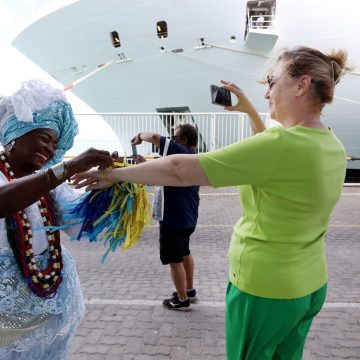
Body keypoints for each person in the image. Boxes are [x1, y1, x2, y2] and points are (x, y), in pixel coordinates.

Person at [72, 46, 350, 359]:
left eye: (272, 82)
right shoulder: (331, 144)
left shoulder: (280, 145)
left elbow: (180, 170)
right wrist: (249, 112)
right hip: (309, 286)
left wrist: (117, 175)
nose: (267, 92)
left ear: (301, 84)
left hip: (266, 288)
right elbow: (272, 158)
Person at [0, 79, 113, 359]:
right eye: (45, 138)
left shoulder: (51, 185)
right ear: (17, 134)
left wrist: (112, 187)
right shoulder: (37, 178)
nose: (51, 150)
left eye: (55, 144)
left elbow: (78, 225)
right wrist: (68, 167)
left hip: (48, 307)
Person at [130, 124, 200, 311]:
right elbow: (164, 175)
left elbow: (153, 136)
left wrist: (139, 135)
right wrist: (144, 163)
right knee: (184, 252)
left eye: (175, 136)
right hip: (188, 217)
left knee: (174, 260)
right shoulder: (193, 156)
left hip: (173, 218)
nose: (172, 139)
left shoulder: (180, 151)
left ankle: (182, 300)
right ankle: (190, 290)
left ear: (184, 139)